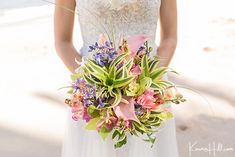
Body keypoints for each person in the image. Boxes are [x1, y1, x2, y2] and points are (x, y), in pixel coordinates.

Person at [54, 0, 178, 156]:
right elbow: (62, 42)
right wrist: (94, 87)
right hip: (93, 93)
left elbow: (169, 38)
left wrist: (148, 83)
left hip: (150, 90)